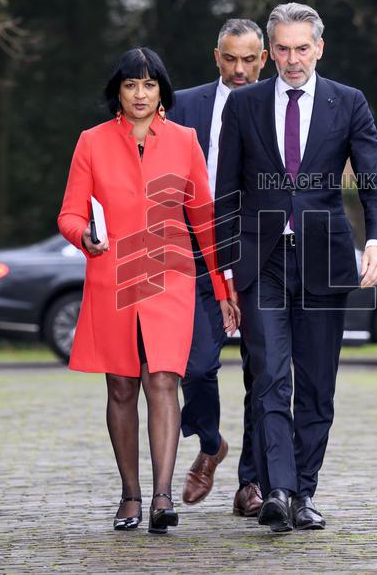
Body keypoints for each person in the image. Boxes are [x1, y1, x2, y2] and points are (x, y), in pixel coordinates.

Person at [214, 2, 377, 532]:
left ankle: (304, 490)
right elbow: (224, 193)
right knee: (269, 377)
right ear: (270, 52)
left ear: (319, 48)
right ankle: (279, 491)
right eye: (284, 50)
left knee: (316, 385)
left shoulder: (348, 103)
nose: (293, 60)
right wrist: (225, 269)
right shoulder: (244, 106)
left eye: (302, 48)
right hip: (261, 259)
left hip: (325, 259)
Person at [57, 47, 238, 535]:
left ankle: (161, 496)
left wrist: (222, 286)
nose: (140, 94)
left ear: (163, 92)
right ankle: (129, 495)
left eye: (149, 85)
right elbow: (70, 213)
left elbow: (204, 220)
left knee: (163, 380)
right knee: (121, 385)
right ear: (118, 91)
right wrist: (83, 237)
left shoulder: (184, 140)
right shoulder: (91, 142)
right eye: (131, 85)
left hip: (170, 277)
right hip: (111, 277)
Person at [167, 19, 268, 516]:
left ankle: (250, 483)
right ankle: (210, 442)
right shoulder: (183, 106)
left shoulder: (279, 107)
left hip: (253, 253)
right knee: (196, 365)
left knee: (261, 371)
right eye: (230, 58)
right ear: (216, 56)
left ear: (264, 59)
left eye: (249, 59)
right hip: (191, 255)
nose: (240, 69)